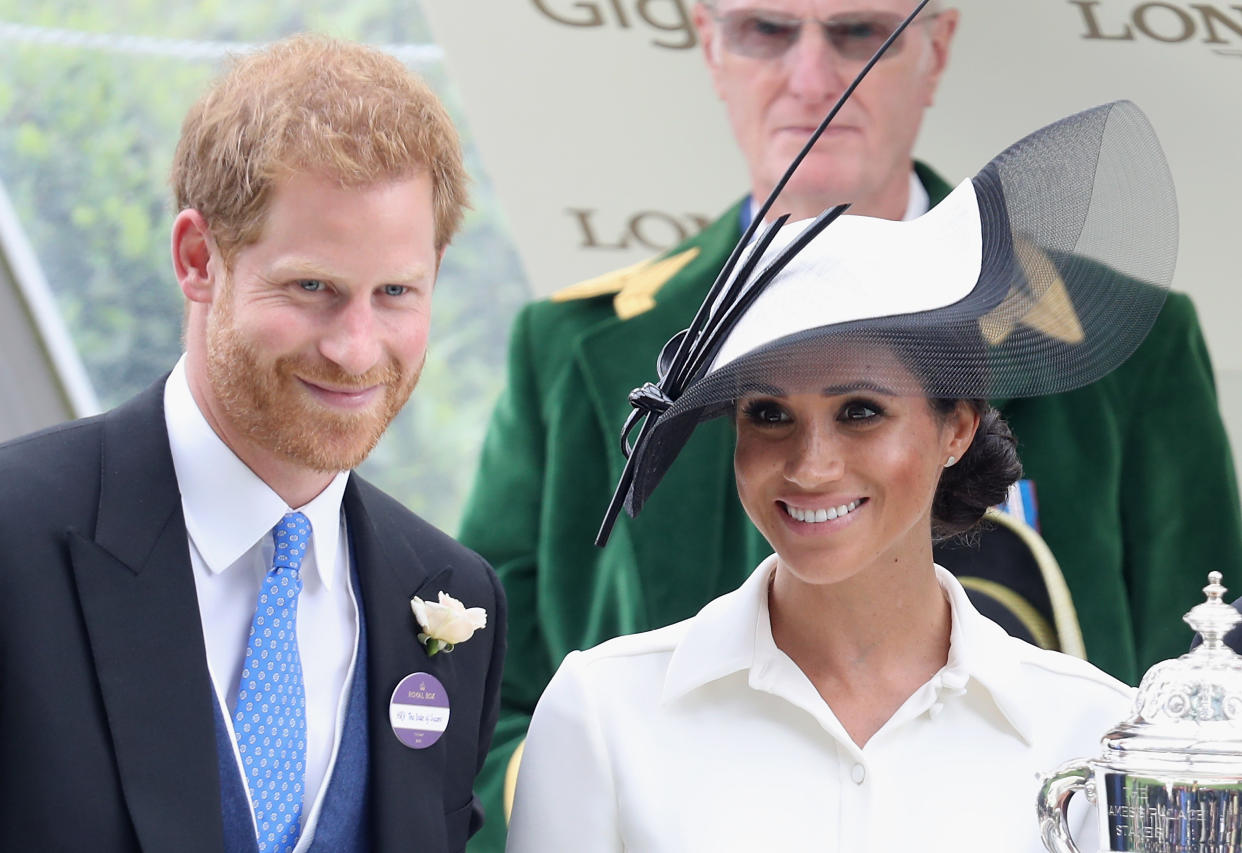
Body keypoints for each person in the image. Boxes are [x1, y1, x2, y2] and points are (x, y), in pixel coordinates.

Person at [459, 1, 1241, 843]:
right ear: (708, 42)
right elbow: (479, 690)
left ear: (936, 49)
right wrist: (608, 776)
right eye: (766, 30)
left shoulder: (1136, 343)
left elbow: (1204, 694)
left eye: (858, 33)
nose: (810, 78)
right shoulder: (575, 346)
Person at [0, 35, 505, 852]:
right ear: (198, 259)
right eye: (313, 287)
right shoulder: (13, 537)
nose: (355, 346)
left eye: (396, 292)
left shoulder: (456, 595)